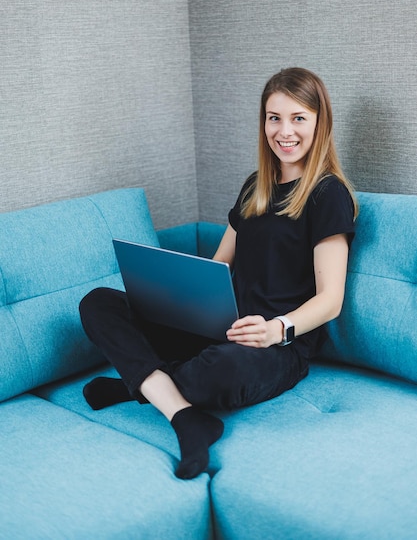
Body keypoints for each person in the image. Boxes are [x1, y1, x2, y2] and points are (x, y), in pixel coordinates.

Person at [79, 67, 358, 480]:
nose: (285, 131)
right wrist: (175, 300)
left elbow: (330, 300)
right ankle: (184, 415)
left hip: (274, 348)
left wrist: (275, 329)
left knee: (219, 370)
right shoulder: (254, 187)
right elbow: (217, 266)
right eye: (274, 117)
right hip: (219, 327)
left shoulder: (327, 194)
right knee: (98, 303)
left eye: (299, 118)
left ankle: (138, 386)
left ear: (320, 123)